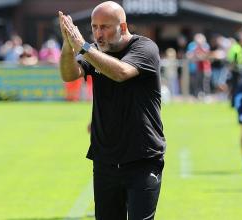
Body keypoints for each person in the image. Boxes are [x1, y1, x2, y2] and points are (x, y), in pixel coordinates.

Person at [58, 1, 166, 219]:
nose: (98, 34)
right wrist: (68, 44)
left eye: (105, 27)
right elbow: (69, 74)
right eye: (94, 27)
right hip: (105, 158)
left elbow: (121, 72)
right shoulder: (94, 51)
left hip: (142, 158)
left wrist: (83, 47)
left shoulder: (145, 48)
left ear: (123, 27)